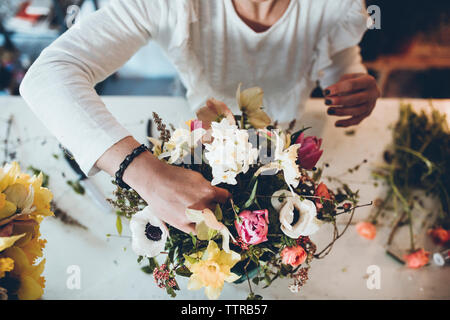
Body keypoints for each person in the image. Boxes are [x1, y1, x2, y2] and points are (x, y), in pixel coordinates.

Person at [19, 0, 380, 233]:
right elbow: (48, 77)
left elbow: (338, 57)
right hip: (202, 142)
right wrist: (146, 172)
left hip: (284, 139)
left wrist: (351, 84)